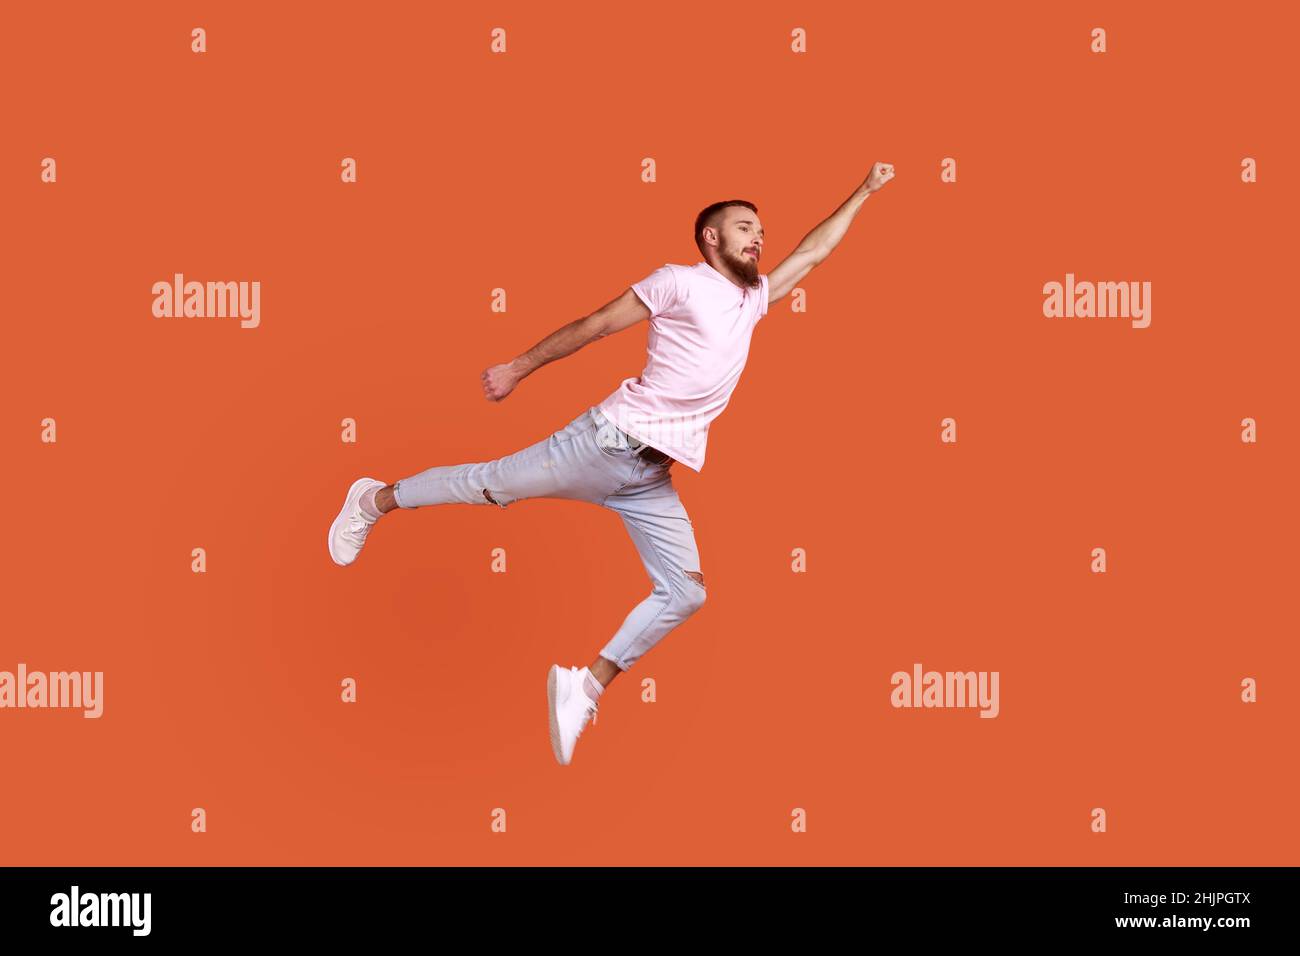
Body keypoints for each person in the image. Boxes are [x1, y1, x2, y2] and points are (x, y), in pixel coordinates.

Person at [328, 163, 896, 765]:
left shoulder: (753, 301)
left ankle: (585, 685)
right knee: (487, 485)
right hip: (600, 445)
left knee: (687, 593)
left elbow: (811, 254)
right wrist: (518, 368)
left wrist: (863, 192)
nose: (759, 238)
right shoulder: (678, 282)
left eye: (761, 229)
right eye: (744, 227)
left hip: (648, 478)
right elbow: (596, 325)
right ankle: (372, 499)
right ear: (711, 238)